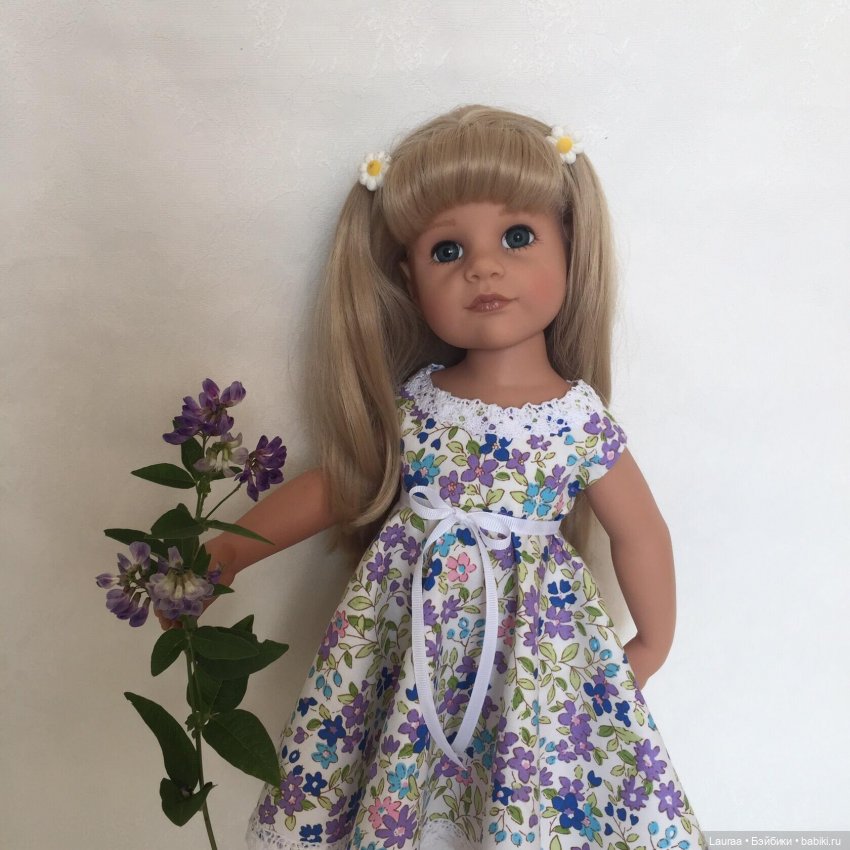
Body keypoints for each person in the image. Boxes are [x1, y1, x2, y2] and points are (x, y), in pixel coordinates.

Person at [160, 104, 708, 849]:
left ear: (571, 246)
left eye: (518, 237)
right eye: (447, 250)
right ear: (407, 278)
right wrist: (226, 551)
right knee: (399, 784)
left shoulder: (577, 420)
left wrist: (651, 643)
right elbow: (340, 486)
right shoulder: (417, 406)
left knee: (524, 794)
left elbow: (640, 531)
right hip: (408, 643)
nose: (484, 266)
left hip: (534, 657)